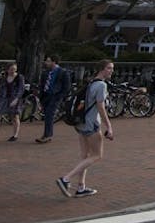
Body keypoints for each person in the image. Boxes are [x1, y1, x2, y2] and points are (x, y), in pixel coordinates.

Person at [56, 60, 114, 198]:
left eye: (112, 68)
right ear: (102, 69)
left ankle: (81, 187)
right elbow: (101, 108)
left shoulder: (91, 82)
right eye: (109, 68)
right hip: (91, 124)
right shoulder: (101, 85)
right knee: (97, 155)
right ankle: (66, 179)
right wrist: (109, 127)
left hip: (80, 122)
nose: (111, 71)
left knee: (85, 156)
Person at [36, 55, 71, 143]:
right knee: (47, 115)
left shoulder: (62, 72)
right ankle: (47, 134)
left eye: (48, 61)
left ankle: (47, 135)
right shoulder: (45, 72)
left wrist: (60, 96)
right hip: (46, 96)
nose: (46, 63)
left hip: (55, 96)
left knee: (49, 114)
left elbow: (66, 86)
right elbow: (42, 84)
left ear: (54, 62)